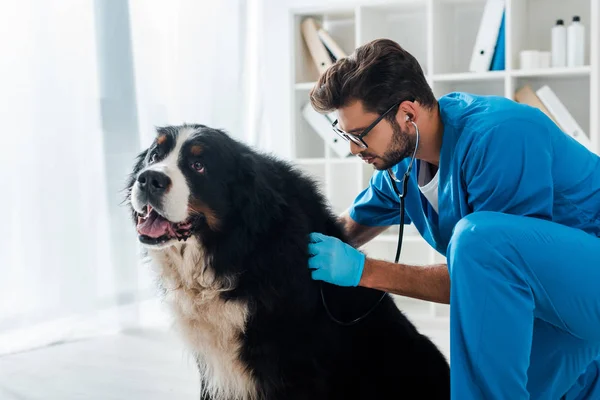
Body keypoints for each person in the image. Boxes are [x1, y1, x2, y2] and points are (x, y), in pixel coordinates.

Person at [306, 38, 600, 399]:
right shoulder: (403, 167)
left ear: (407, 115)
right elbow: (346, 228)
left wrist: (364, 272)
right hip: (561, 306)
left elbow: (491, 277)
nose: (352, 149)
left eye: (359, 135)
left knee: (477, 240)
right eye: (344, 134)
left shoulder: (500, 134)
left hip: (587, 284)